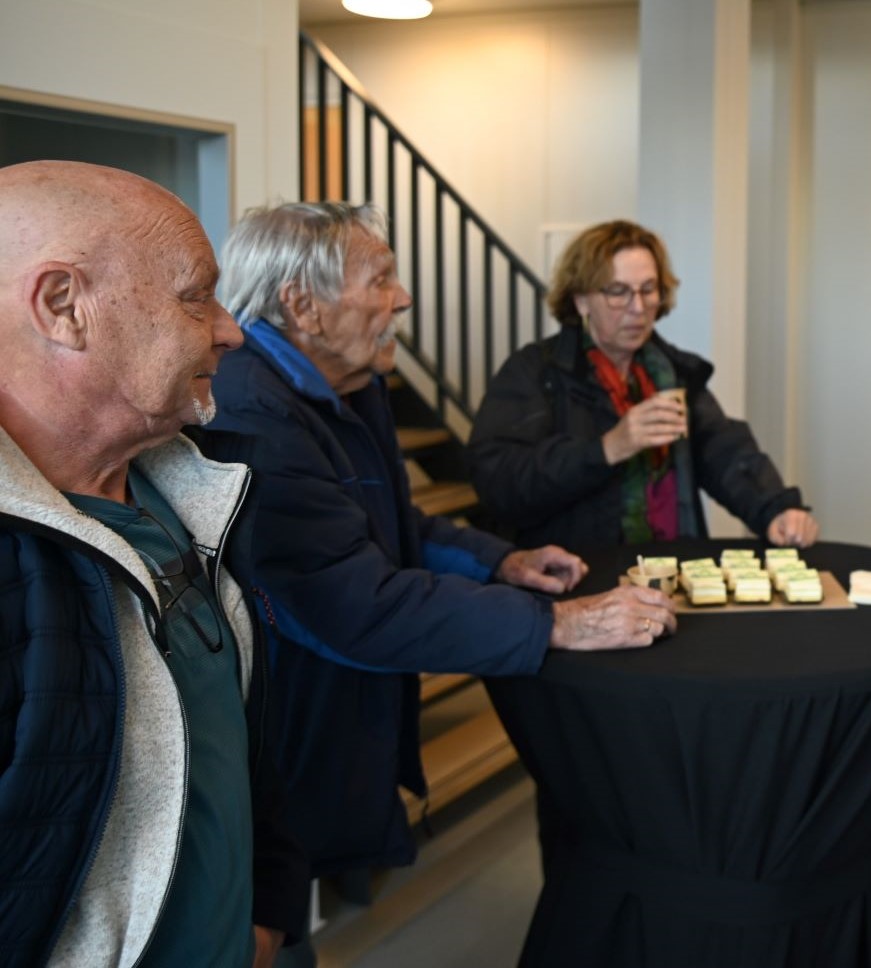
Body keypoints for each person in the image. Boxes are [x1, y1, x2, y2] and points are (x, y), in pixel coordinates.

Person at [205, 202, 676, 926]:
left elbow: (396, 524)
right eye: (382, 278)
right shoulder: (257, 414)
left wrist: (503, 562)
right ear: (304, 305)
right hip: (284, 740)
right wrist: (553, 622)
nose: (404, 298)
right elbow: (355, 602)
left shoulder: (351, 386)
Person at [0, 161, 306, 966]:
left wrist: (269, 909)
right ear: (65, 307)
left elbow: (236, 733)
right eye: (194, 294)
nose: (232, 330)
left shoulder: (195, 492)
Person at [468, 220, 817, 555]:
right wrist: (605, 449)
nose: (638, 308)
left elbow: (723, 452)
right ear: (581, 300)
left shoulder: (672, 372)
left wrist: (776, 509)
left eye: (648, 289)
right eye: (618, 292)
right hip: (578, 584)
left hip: (672, 574)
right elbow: (500, 485)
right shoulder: (535, 371)